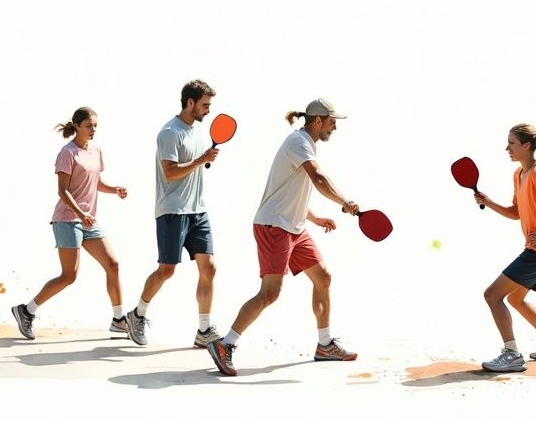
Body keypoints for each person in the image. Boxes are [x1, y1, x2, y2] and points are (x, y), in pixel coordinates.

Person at [208, 98, 360, 376]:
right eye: (331, 121)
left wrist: (313, 218)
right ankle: (225, 344)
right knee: (270, 293)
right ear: (317, 121)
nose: (334, 127)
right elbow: (319, 179)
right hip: (274, 227)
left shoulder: (306, 144)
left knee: (323, 277)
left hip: (295, 227)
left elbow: (291, 190)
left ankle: (325, 345)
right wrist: (344, 201)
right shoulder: (298, 143)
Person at [11, 107, 129, 340]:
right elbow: (63, 191)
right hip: (67, 219)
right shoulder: (67, 153)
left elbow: (95, 183)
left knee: (113, 264)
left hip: (88, 220)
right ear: (76, 126)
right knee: (69, 276)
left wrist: (114, 190)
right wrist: (80, 214)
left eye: (95, 125)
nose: (93, 130)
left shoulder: (96, 151)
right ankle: (26, 311)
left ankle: (118, 319)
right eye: (88, 126)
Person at [123, 80, 222, 347]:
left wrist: (203, 159)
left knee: (209, 268)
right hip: (172, 211)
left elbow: (194, 166)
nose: (208, 111)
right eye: (205, 105)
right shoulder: (169, 132)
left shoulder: (197, 131)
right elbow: (170, 172)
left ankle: (203, 331)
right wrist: (202, 160)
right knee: (167, 270)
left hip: (198, 211)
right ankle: (137, 314)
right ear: (190, 102)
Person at [473, 124, 536, 373]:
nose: (507, 148)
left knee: (492, 295)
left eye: (511, 143)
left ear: (526, 146)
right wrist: (489, 202)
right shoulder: (519, 175)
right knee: (516, 298)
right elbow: (516, 213)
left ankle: (512, 355)